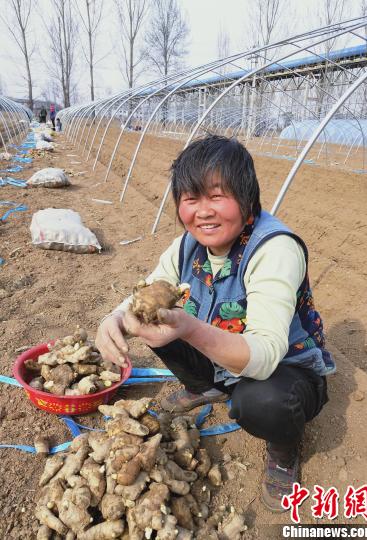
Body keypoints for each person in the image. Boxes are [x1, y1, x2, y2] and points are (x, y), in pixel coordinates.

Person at [95, 135, 335, 512]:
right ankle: (205, 387)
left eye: (217, 196)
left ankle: (285, 449)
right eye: (191, 199)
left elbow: (267, 355)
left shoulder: (274, 249)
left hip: (286, 370)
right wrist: (113, 317)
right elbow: (149, 288)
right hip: (227, 355)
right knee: (152, 318)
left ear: (246, 198)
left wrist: (188, 328)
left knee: (259, 400)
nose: (203, 211)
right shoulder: (186, 246)